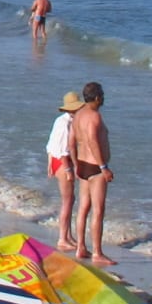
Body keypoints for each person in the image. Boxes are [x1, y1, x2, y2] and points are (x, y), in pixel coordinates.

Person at [69, 81, 115, 266]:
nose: (103, 99)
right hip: (95, 167)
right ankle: (97, 252)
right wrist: (103, 167)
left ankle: (80, 246)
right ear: (96, 98)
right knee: (98, 210)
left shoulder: (78, 115)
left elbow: (71, 142)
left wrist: (75, 164)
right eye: (102, 96)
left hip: (82, 164)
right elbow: (92, 141)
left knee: (83, 207)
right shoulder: (94, 117)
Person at [46, 90, 80, 249]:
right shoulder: (66, 124)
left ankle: (68, 235)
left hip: (55, 160)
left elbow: (50, 145)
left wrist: (49, 163)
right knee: (67, 201)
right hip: (62, 162)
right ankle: (62, 238)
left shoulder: (60, 120)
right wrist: (69, 170)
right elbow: (63, 150)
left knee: (70, 199)